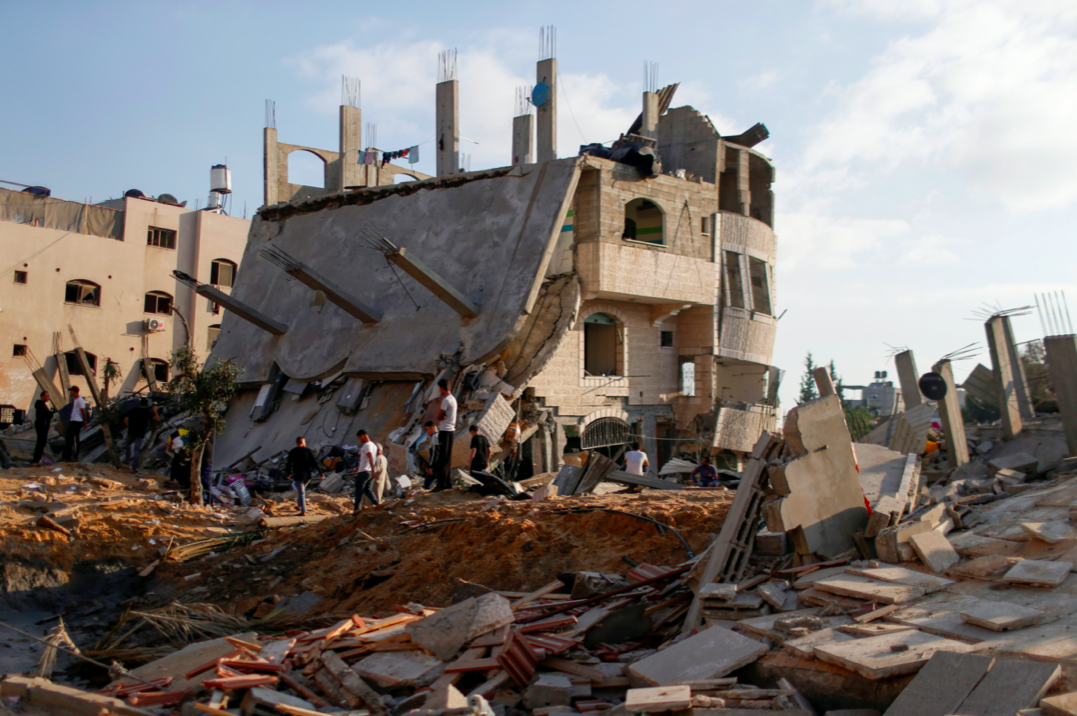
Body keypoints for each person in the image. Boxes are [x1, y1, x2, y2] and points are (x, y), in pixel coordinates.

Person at [285, 436, 320, 516]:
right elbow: (314, 462)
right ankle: (299, 505)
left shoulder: (292, 451)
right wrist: (320, 472)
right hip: (307, 476)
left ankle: (303, 511)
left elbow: (289, 464)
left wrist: (288, 474)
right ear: (301, 442)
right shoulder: (308, 450)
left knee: (301, 492)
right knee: (301, 491)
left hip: (298, 475)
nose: (305, 443)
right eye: (305, 442)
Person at [124, 398, 159, 474]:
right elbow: (157, 419)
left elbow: (126, 420)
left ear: (140, 403)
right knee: (137, 451)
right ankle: (134, 469)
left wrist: (129, 427)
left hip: (131, 432)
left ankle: (127, 459)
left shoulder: (133, 410)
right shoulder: (147, 412)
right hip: (140, 434)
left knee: (128, 444)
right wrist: (155, 411)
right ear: (146, 404)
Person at [434, 379, 457, 491]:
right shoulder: (453, 399)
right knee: (447, 458)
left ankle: (441, 484)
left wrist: (441, 417)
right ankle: (447, 482)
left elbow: (439, 416)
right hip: (451, 430)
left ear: (442, 388)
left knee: (441, 458)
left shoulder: (446, 400)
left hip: (444, 430)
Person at [353, 429, 380, 513]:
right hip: (368, 471)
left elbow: (370, 457)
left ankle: (356, 510)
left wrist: (373, 470)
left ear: (363, 436)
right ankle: (377, 505)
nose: (360, 440)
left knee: (359, 491)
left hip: (364, 472)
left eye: (359, 438)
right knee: (368, 490)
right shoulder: (374, 445)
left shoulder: (366, 445)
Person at [63, 386, 88, 462]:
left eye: (71, 391)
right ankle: (69, 455)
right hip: (73, 420)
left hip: (77, 421)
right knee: (69, 438)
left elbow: (83, 411)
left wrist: (84, 421)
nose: (70, 393)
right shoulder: (75, 400)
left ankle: (75, 456)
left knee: (75, 438)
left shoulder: (80, 400)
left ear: (74, 391)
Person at [32, 391, 55, 465]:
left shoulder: (41, 405)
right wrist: (52, 412)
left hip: (42, 425)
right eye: (47, 396)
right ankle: (36, 460)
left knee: (41, 442)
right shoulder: (41, 405)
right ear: (42, 396)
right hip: (41, 426)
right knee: (41, 442)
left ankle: (37, 459)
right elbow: (47, 415)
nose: (48, 398)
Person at [421, 421, 440, 490]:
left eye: (427, 429)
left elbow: (435, 453)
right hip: (439, 465)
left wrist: (431, 466)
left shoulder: (435, 437)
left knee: (427, 483)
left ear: (432, 428)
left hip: (436, 466)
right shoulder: (439, 435)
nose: (427, 432)